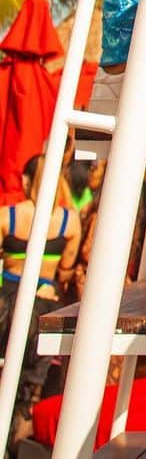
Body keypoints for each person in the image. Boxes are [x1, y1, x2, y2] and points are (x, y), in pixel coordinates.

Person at [0, 157, 81, 437]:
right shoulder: (69, 222)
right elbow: (66, 272)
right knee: (32, 371)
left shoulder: (6, 216)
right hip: (45, 299)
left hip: (8, 299)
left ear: (25, 180)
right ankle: (20, 418)